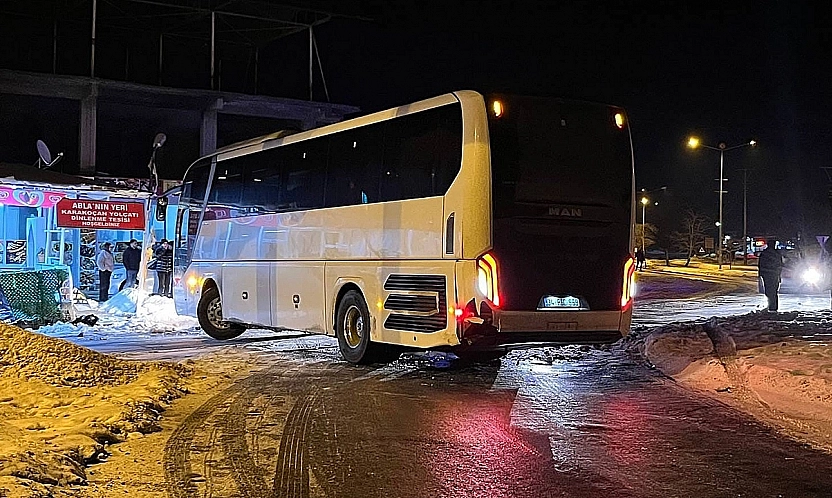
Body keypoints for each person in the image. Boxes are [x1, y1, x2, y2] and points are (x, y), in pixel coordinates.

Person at [758, 239, 784, 312]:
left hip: (768, 275)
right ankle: (772, 307)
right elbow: (780, 264)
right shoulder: (776, 254)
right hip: (773, 275)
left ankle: (772, 306)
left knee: (769, 291)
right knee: (773, 291)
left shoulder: (765, 253)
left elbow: (760, 264)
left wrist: (761, 274)